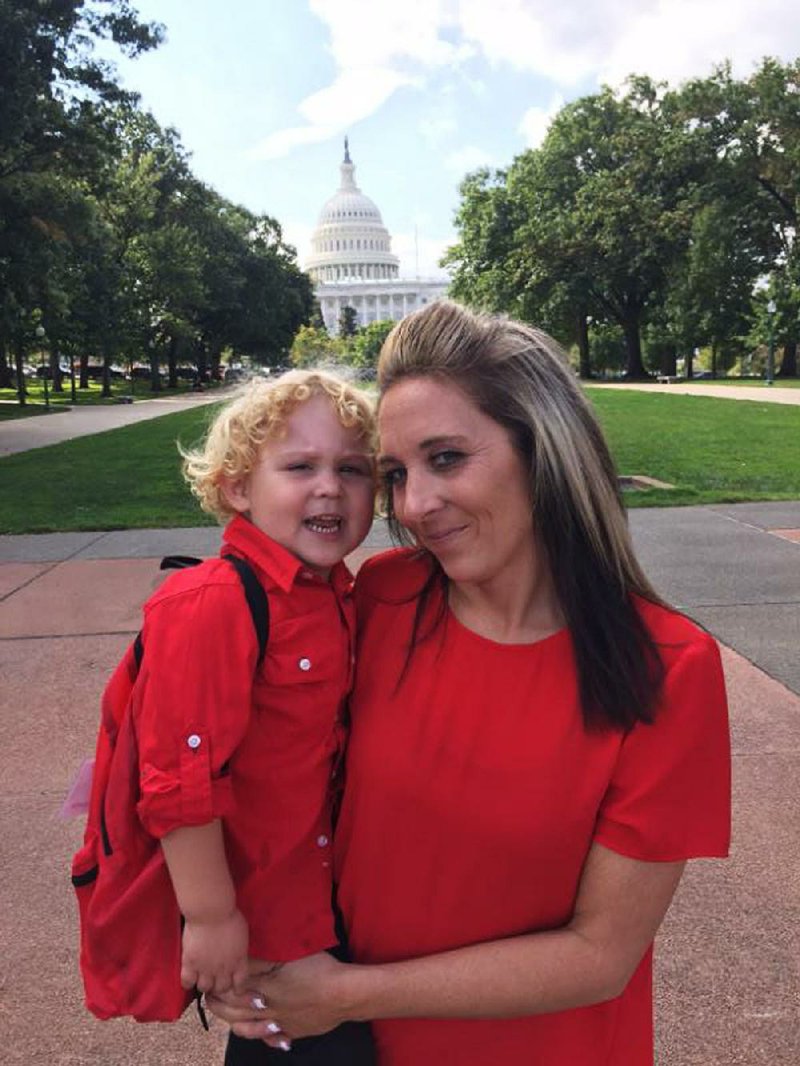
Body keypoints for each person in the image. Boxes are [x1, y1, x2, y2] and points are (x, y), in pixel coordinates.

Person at [209, 302, 731, 1066]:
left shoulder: (666, 667)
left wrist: (346, 993)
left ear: (543, 450)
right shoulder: (379, 601)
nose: (414, 506)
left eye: (446, 458)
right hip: (338, 1048)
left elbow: (600, 954)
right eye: (395, 474)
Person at [105, 371, 376, 1063]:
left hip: (325, 898)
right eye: (299, 467)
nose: (330, 487)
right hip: (264, 917)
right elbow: (180, 781)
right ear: (235, 488)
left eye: (353, 469)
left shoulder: (337, 596)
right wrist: (211, 915)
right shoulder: (212, 604)